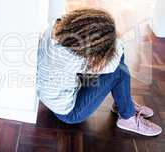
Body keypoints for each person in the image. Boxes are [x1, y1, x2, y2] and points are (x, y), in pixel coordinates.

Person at [36, 8, 162, 136]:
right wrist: (118, 40)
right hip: (69, 112)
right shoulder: (70, 58)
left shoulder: (56, 25)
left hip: (57, 94)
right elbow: (112, 67)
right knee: (118, 70)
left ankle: (123, 104)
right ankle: (127, 117)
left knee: (115, 56)